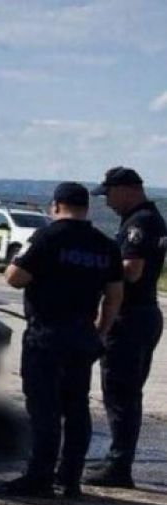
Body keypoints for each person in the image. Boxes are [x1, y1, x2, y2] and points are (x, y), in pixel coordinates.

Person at [3, 182, 124, 498]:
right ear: (86, 208)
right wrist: (99, 333)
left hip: (46, 336)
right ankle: (70, 478)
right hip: (82, 336)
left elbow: (15, 277)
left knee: (44, 409)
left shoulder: (46, 237)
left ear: (55, 206)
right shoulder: (105, 245)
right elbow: (113, 298)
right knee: (76, 408)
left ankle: (39, 477)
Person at [87, 167, 167, 488]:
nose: (107, 202)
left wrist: (97, 264)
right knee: (125, 392)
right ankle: (118, 461)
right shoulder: (147, 218)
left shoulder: (141, 222)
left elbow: (131, 271)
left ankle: (119, 466)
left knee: (121, 393)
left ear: (127, 189)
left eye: (109, 194)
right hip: (143, 314)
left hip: (132, 317)